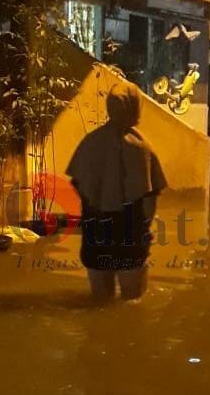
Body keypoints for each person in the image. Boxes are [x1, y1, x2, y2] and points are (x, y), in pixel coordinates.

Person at [66, 82, 167, 301]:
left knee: (100, 303)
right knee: (133, 304)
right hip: (129, 237)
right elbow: (149, 200)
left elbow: (79, 186)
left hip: (96, 235)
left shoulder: (90, 143)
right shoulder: (142, 148)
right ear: (134, 107)